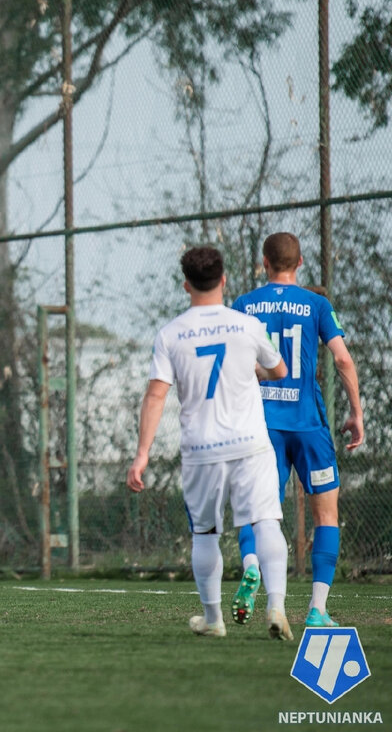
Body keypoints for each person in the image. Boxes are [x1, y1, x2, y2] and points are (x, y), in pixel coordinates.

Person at [127, 245, 293, 640]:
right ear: (223, 280)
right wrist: (251, 370)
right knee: (267, 522)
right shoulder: (247, 325)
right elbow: (279, 370)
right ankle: (276, 607)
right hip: (251, 443)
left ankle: (214, 619)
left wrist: (142, 455)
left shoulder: (170, 334)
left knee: (205, 534)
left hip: (202, 449)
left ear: (186, 285)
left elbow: (155, 395)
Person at [229, 233, 363, 628]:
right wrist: (356, 412)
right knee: (326, 515)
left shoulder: (245, 305)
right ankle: (318, 610)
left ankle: (252, 564)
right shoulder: (317, 303)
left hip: (261, 425)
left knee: (258, 512)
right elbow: (342, 360)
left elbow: (234, 363)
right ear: (300, 262)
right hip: (308, 425)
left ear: (264, 262)